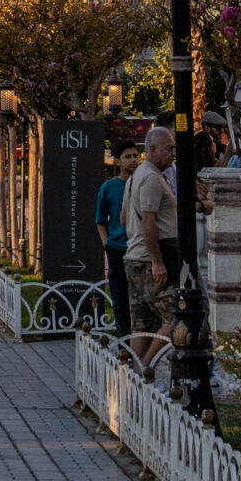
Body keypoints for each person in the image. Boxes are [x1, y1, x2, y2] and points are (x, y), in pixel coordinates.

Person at [122, 126, 180, 375]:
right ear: (152, 149)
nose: (173, 154)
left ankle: (134, 379)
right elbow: (148, 219)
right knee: (175, 317)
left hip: (134, 258)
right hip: (148, 261)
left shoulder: (137, 176)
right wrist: (157, 261)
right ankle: (146, 367)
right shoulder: (151, 178)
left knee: (142, 323)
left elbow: (124, 217)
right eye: (169, 148)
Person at [96, 144, 142, 340]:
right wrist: (107, 244)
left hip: (139, 247)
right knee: (120, 298)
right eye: (128, 156)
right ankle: (125, 343)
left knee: (141, 298)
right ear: (117, 161)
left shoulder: (143, 183)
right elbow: (100, 220)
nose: (133, 160)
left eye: (135, 156)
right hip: (117, 248)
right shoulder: (108, 188)